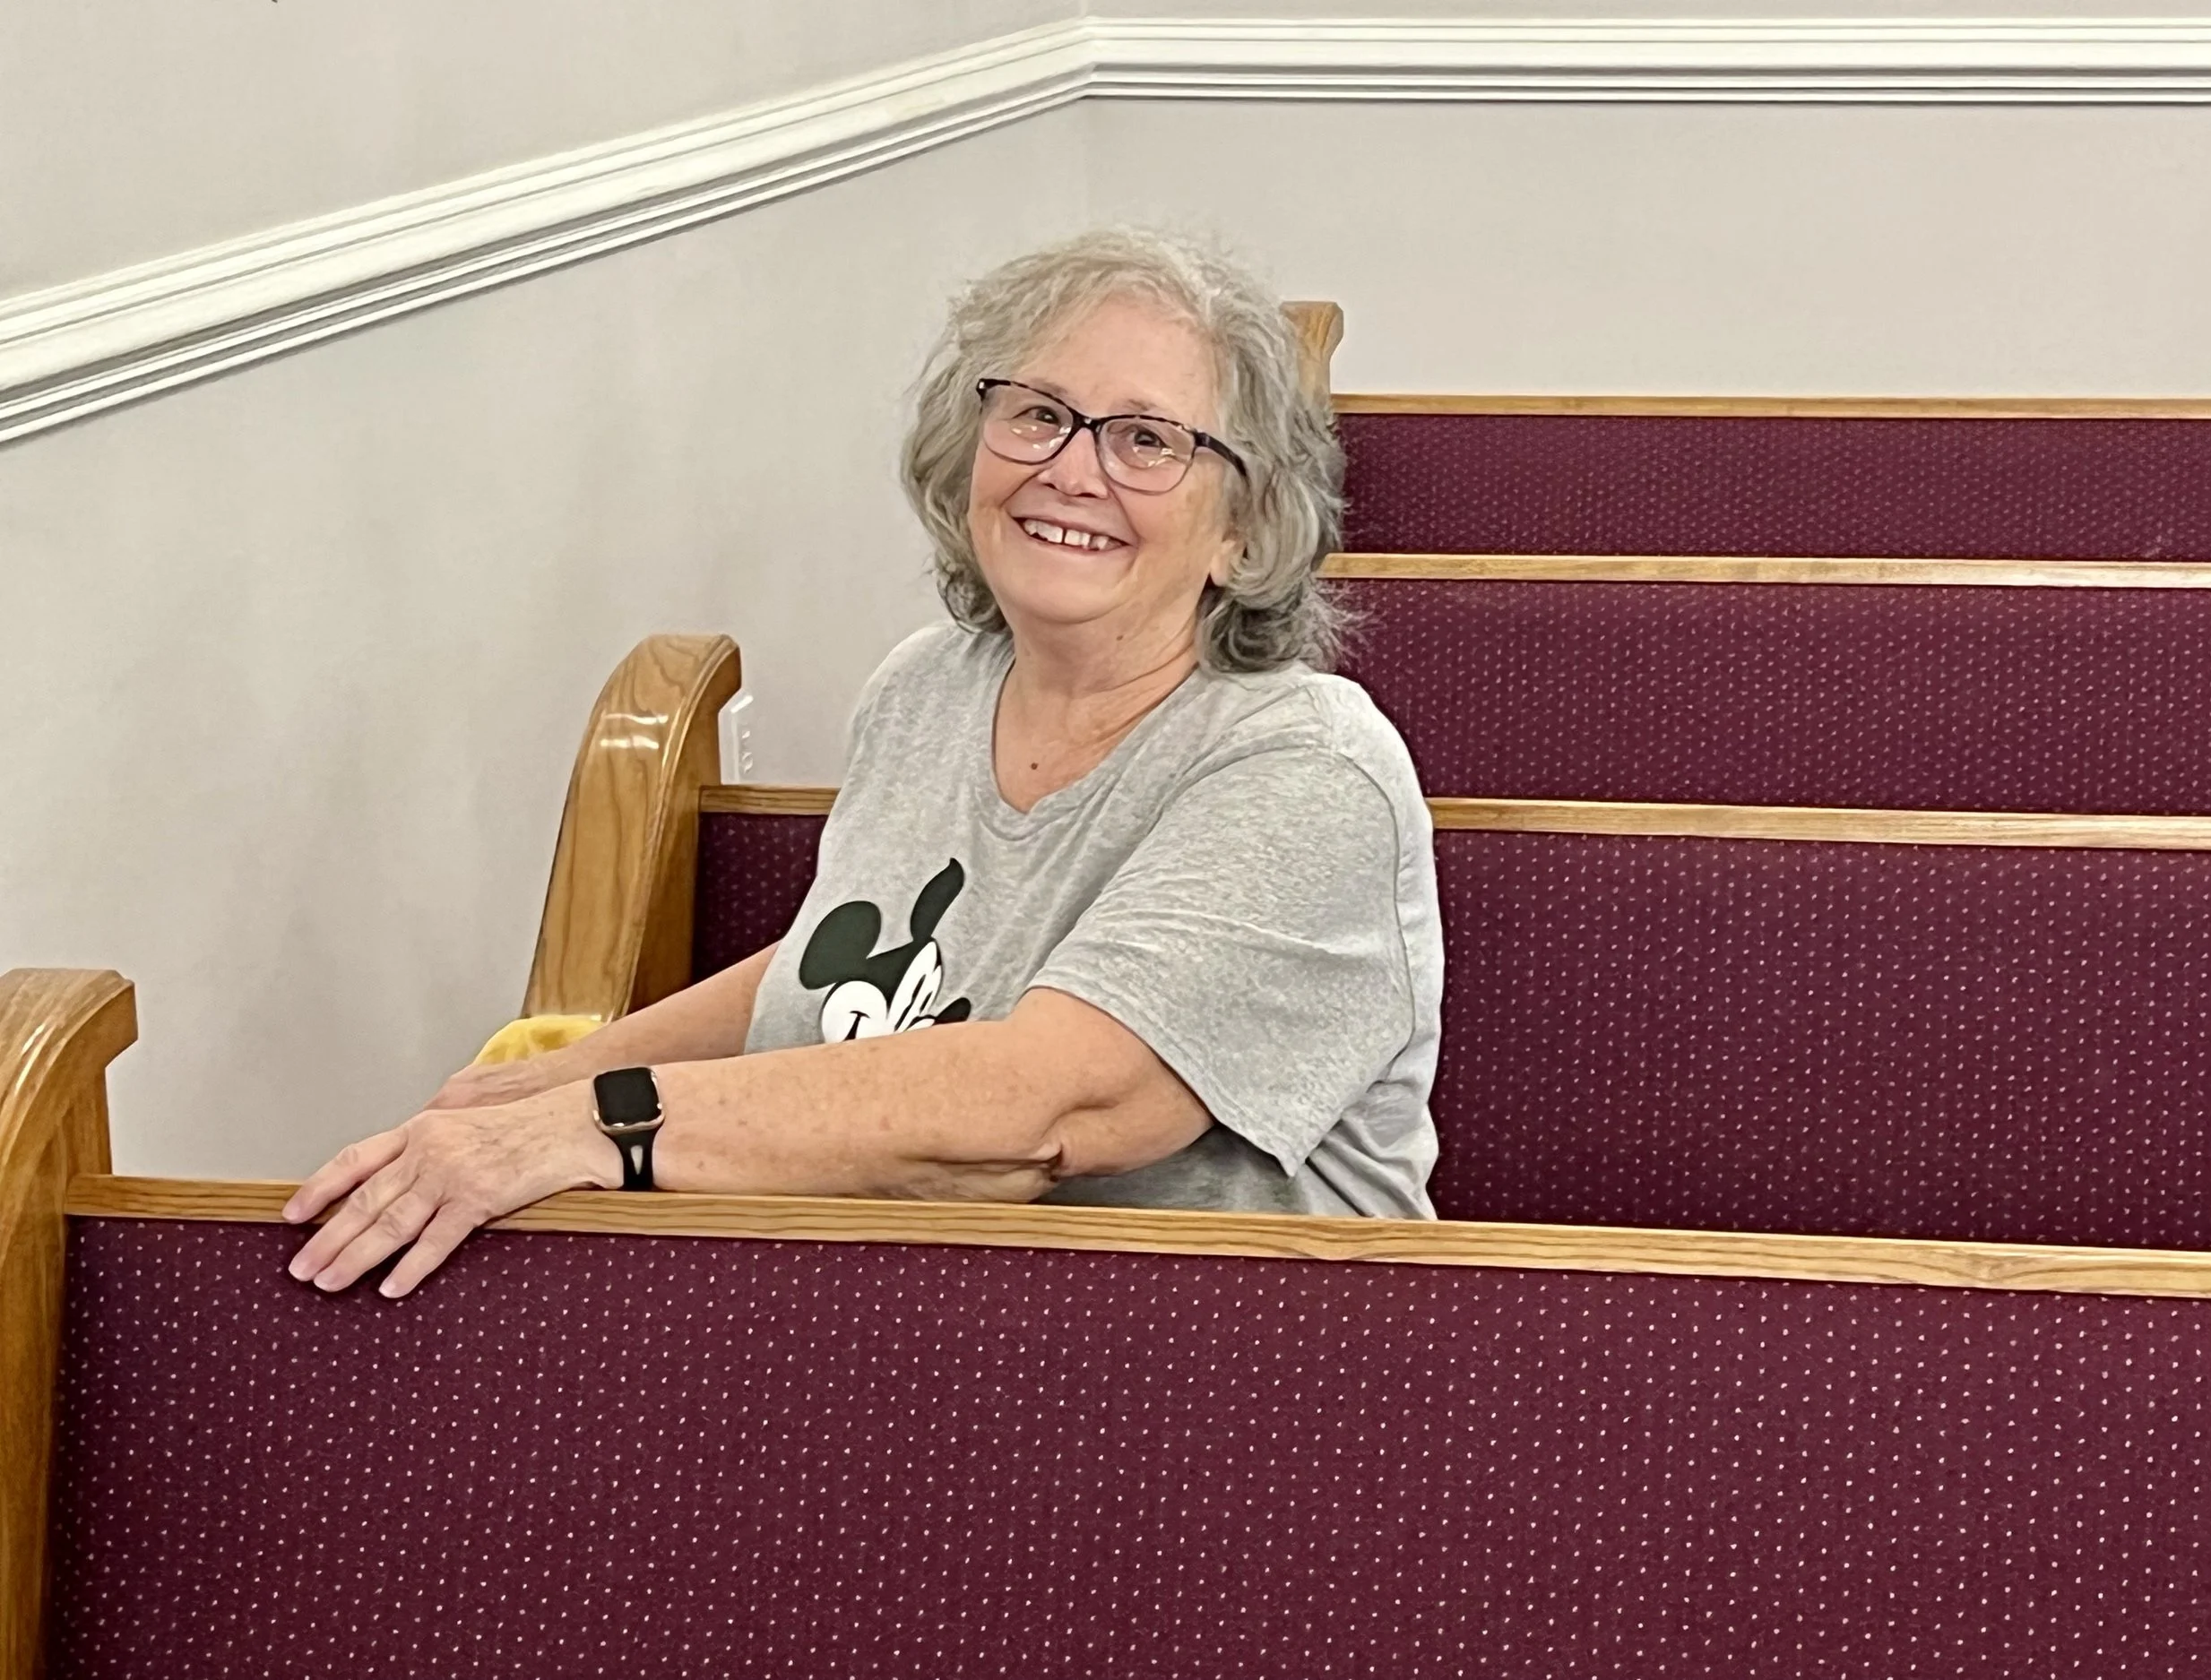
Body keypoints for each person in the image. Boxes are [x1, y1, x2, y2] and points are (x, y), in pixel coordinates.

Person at [284, 227, 1443, 1297]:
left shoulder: (1308, 771)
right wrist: (540, 1083)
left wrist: (604, 1120)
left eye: (1147, 439)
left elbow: (1041, 1109)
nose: (1073, 469)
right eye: (1038, 413)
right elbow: (842, 958)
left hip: (1226, 1357)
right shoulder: (927, 687)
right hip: (901, 1296)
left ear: (1244, 528)